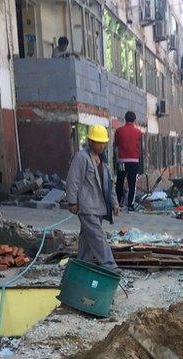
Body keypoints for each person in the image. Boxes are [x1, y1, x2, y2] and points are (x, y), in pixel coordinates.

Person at [66, 124, 120, 271]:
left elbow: (109, 185)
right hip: (87, 206)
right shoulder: (82, 158)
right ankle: (110, 266)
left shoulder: (103, 161)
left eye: (103, 142)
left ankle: (82, 265)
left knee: (87, 239)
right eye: (98, 142)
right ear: (90, 141)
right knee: (98, 236)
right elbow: (73, 180)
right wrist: (72, 201)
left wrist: (115, 203)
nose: (102, 145)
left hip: (99, 207)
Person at [114, 111, 143, 210]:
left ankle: (117, 202)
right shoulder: (138, 132)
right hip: (134, 161)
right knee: (132, 184)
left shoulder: (119, 131)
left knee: (120, 182)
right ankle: (130, 204)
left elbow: (116, 144)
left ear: (125, 119)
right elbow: (140, 148)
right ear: (134, 120)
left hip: (122, 161)